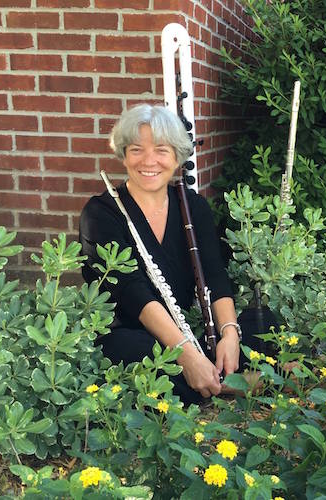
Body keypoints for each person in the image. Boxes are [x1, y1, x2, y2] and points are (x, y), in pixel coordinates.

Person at [79, 104, 241, 404]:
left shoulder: (194, 207)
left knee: (259, 327)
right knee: (145, 359)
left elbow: (215, 276)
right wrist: (186, 356)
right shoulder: (100, 214)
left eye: (161, 150)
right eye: (137, 149)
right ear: (124, 155)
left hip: (183, 330)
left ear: (177, 157)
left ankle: (219, 377)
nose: (149, 160)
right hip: (127, 333)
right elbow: (132, 293)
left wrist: (230, 335)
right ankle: (231, 383)